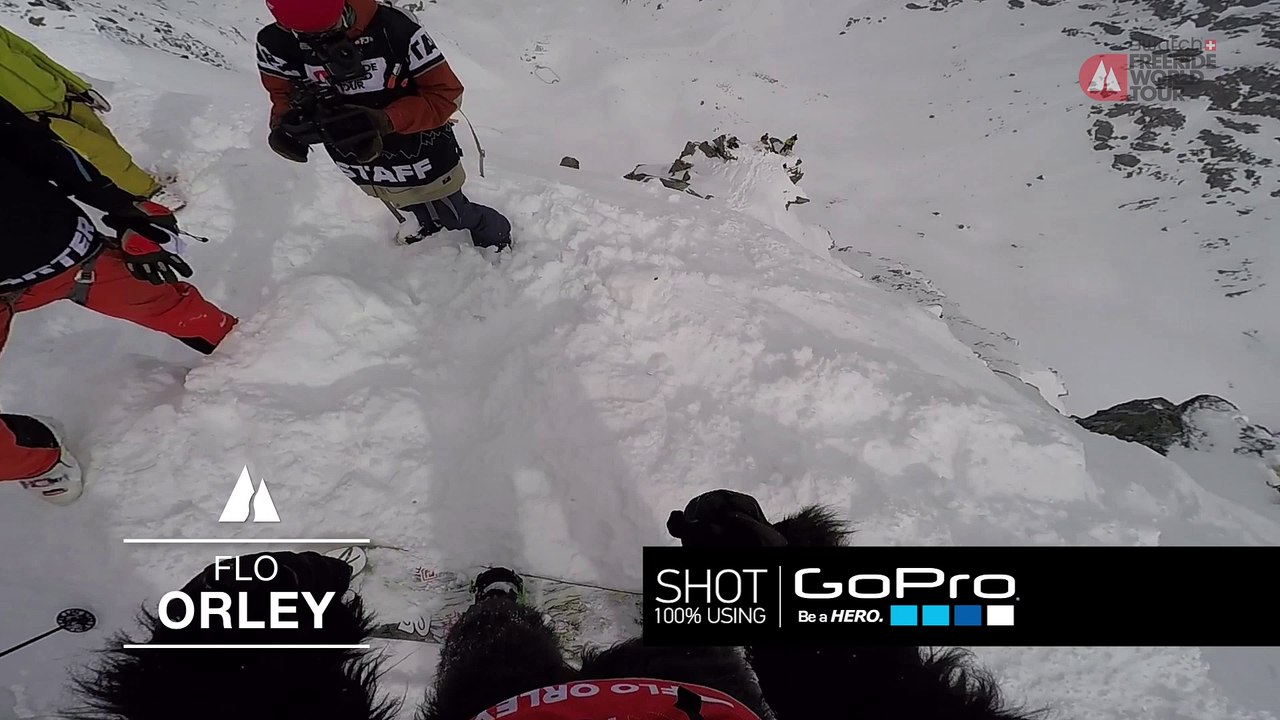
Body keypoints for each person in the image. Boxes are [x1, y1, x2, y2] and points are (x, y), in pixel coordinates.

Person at [70, 490, 1040, 720]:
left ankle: (497, 607)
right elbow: (894, 707)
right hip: (698, 701)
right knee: (677, 648)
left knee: (499, 643)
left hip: (513, 707)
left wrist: (225, 654)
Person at [0, 96, 237, 504]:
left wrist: (123, 208)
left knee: (184, 314)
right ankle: (38, 460)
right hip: (66, 256)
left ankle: (248, 359)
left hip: (69, 257)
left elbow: (38, 148)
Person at [254, 0, 512, 250]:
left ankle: (494, 231)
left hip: (422, 154)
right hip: (361, 161)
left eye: (330, 27)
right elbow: (282, 93)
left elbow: (446, 95)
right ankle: (425, 223)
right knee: (403, 202)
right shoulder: (275, 44)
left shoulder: (394, 29)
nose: (317, 41)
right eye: (299, 33)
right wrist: (286, 125)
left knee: (453, 212)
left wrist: (386, 120)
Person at [0, 24, 178, 205]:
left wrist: (79, 87)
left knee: (105, 139)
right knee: (98, 150)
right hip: (30, 116)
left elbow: (33, 54)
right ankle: (149, 194)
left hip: (61, 96)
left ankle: (130, 180)